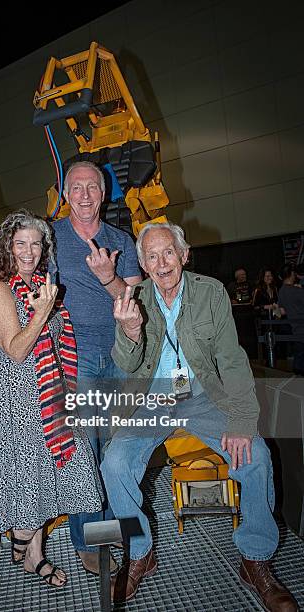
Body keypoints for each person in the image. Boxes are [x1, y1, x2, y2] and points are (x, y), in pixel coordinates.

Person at [101, 222, 298, 611]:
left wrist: (242, 423)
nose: (161, 263)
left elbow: (233, 361)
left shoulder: (210, 293)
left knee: (255, 456)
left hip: (204, 398)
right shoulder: (132, 297)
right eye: (152, 256)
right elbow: (126, 365)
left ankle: (255, 559)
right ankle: (140, 552)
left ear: (184, 254)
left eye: (168, 252)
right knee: (115, 463)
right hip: (151, 399)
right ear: (141, 263)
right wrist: (130, 332)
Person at [0, 209, 103, 587]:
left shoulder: (40, 284)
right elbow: (15, 349)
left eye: (36, 244)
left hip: (51, 393)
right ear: (6, 248)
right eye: (20, 244)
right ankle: (20, 539)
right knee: (30, 479)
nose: (29, 251)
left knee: (46, 478)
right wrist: (44, 311)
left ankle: (34, 557)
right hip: (19, 399)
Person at [52, 160, 142, 574]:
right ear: (64, 194)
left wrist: (109, 277)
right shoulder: (50, 238)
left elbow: (133, 299)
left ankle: (111, 530)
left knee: (114, 448)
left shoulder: (121, 239)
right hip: (76, 355)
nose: (85, 195)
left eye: (93, 186)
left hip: (120, 353)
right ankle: (85, 537)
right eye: (77, 187)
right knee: (82, 448)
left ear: (104, 194)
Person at [278, 263, 304, 375]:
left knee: (299, 360)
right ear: (292, 274)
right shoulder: (297, 291)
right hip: (301, 327)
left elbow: (282, 310)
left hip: (295, 329)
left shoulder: (282, 291)